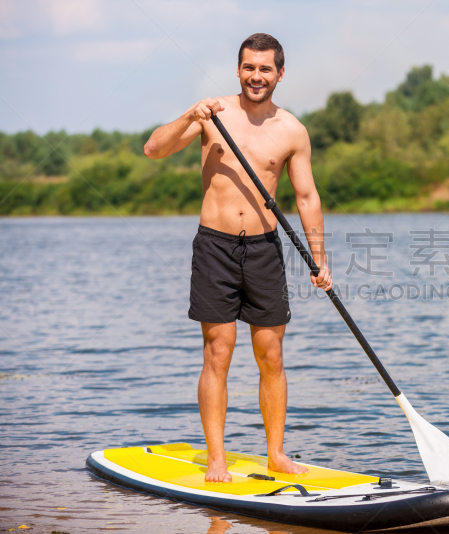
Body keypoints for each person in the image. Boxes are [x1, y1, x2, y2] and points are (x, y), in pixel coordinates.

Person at [144, 33, 332, 482]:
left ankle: (276, 454)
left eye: (265, 69)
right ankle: (216, 457)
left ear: (280, 74)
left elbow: (306, 196)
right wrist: (192, 113)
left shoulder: (292, 130)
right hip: (215, 247)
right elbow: (154, 149)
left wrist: (320, 259)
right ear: (238, 70)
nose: (256, 76)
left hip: (266, 250)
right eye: (249, 67)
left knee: (272, 356)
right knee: (218, 352)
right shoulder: (214, 115)